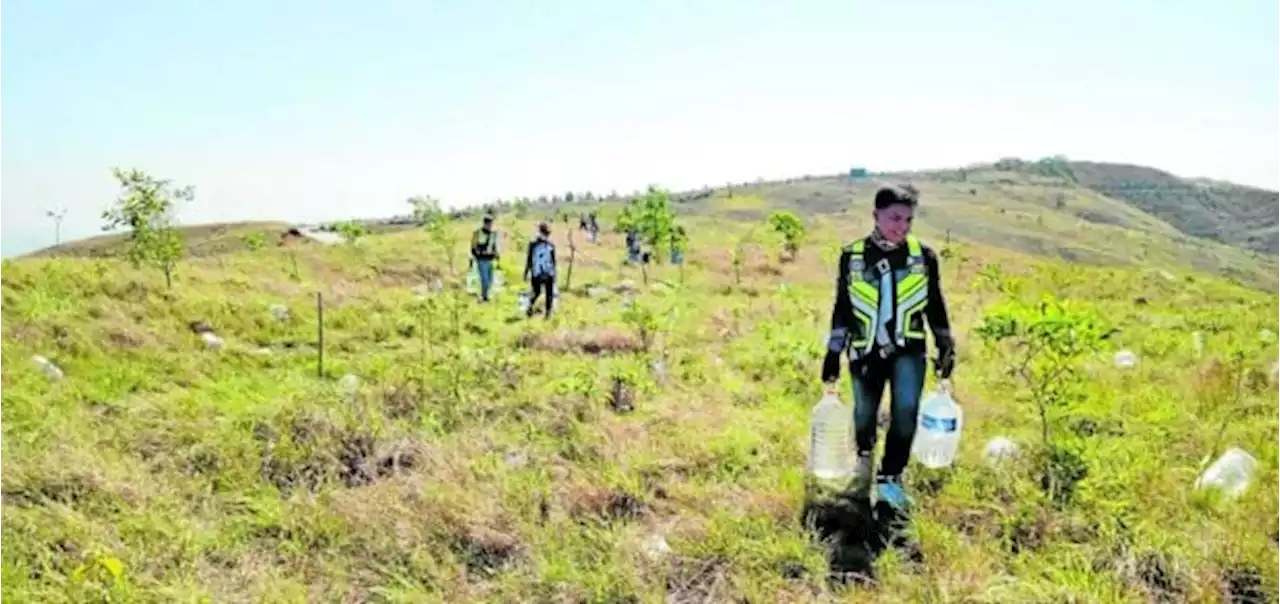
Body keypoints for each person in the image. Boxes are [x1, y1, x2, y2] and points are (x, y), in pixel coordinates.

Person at [822, 184, 956, 512]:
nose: (902, 226)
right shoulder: (852, 256)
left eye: (908, 220)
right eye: (895, 218)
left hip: (908, 349)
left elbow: (934, 303)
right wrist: (832, 352)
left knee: (905, 413)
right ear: (876, 215)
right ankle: (864, 466)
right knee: (864, 413)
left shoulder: (922, 257)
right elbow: (843, 306)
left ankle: (890, 479)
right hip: (864, 349)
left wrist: (945, 342)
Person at [524, 222, 557, 318]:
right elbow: (529, 259)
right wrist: (526, 272)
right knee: (538, 292)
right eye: (545, 233)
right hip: (538, 272)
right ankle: (530, 307)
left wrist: (554, 272)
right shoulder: (534, 245)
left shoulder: (550, 245)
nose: (546, 236)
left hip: (545, 272)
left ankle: (547, 313)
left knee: (547, 293)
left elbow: (553, 260)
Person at [470, 214, 501, 302]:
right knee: (485, 279)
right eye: (489, 224)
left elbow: (495, 246)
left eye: (491, 224)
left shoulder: (493, 234)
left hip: (490, 259)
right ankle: (484, 297)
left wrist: (497, 255)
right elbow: (473, 247)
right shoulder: (477, 233)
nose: (490, 226)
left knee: (490, 279)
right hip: (481, 259)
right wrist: (477, 254)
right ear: (484, 224)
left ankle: (485, 295)